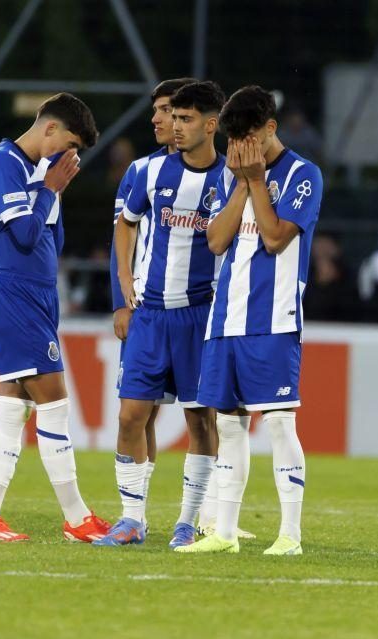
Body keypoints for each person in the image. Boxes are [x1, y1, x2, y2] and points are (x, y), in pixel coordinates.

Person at [176, 84, 324, 555]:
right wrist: (242, 182)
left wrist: (258, 181)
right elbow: (217, 241)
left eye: (250, 138)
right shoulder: (231, 174)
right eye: (234, 141)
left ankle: (290, 535)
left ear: (270, 128)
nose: (241, 149)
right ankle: (223, 532)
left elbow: (277, 237)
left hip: (273, 317)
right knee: (231, 426)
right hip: (226, 319)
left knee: (279, 423)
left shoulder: (304, 174)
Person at [0, 93, 110, 542]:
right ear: (49, 128)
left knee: (14, 409)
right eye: (67, 144)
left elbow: (54, 240)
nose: (68, 157)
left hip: (39, 297)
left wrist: (50, 191)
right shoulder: (2, 165)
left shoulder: (36, 174)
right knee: (55, 404)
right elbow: (26, 237)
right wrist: (49, 190)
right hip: (17, 295)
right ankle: (75, 517)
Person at [95, 81, 227, 548]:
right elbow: (125, 225)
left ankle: (188, 521)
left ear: (210, 125)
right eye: (171, 117)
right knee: (132, 416)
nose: (171, 124)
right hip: (151, 314)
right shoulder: (146, 172)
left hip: (199, 315)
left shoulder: (230, 179)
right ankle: (132, 519)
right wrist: (125, 288)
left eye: (182, 117)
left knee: (200, 420)